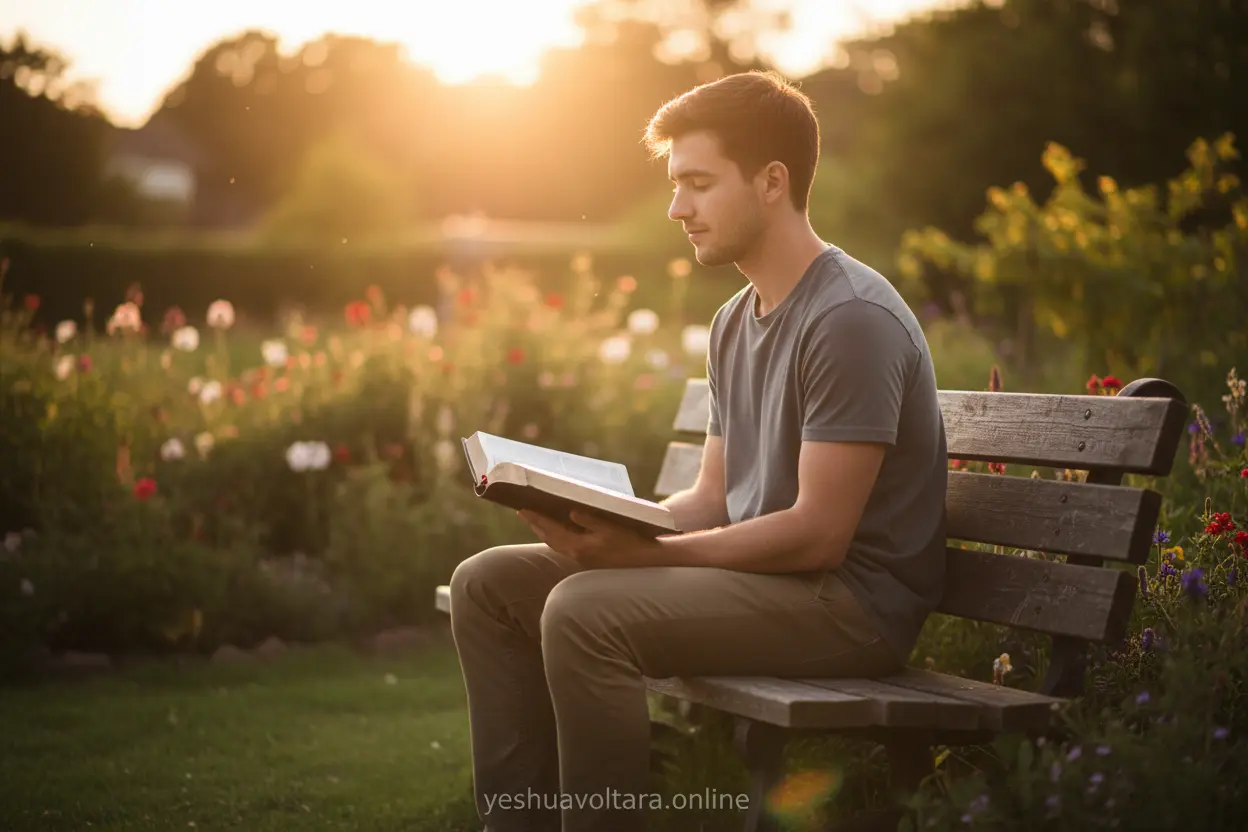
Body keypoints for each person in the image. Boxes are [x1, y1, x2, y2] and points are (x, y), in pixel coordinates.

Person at [448, 69, 948, 832]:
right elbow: (709, 499)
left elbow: (820, 534)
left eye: (698, 183)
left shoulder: (849, 318)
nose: (676, 207)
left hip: (848, 606)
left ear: (772, 181)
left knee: (585, 612)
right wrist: (606, 522)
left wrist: (639, 561)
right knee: (488, 584)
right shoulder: (732, 320)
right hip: (776, 585)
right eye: (676, 184)